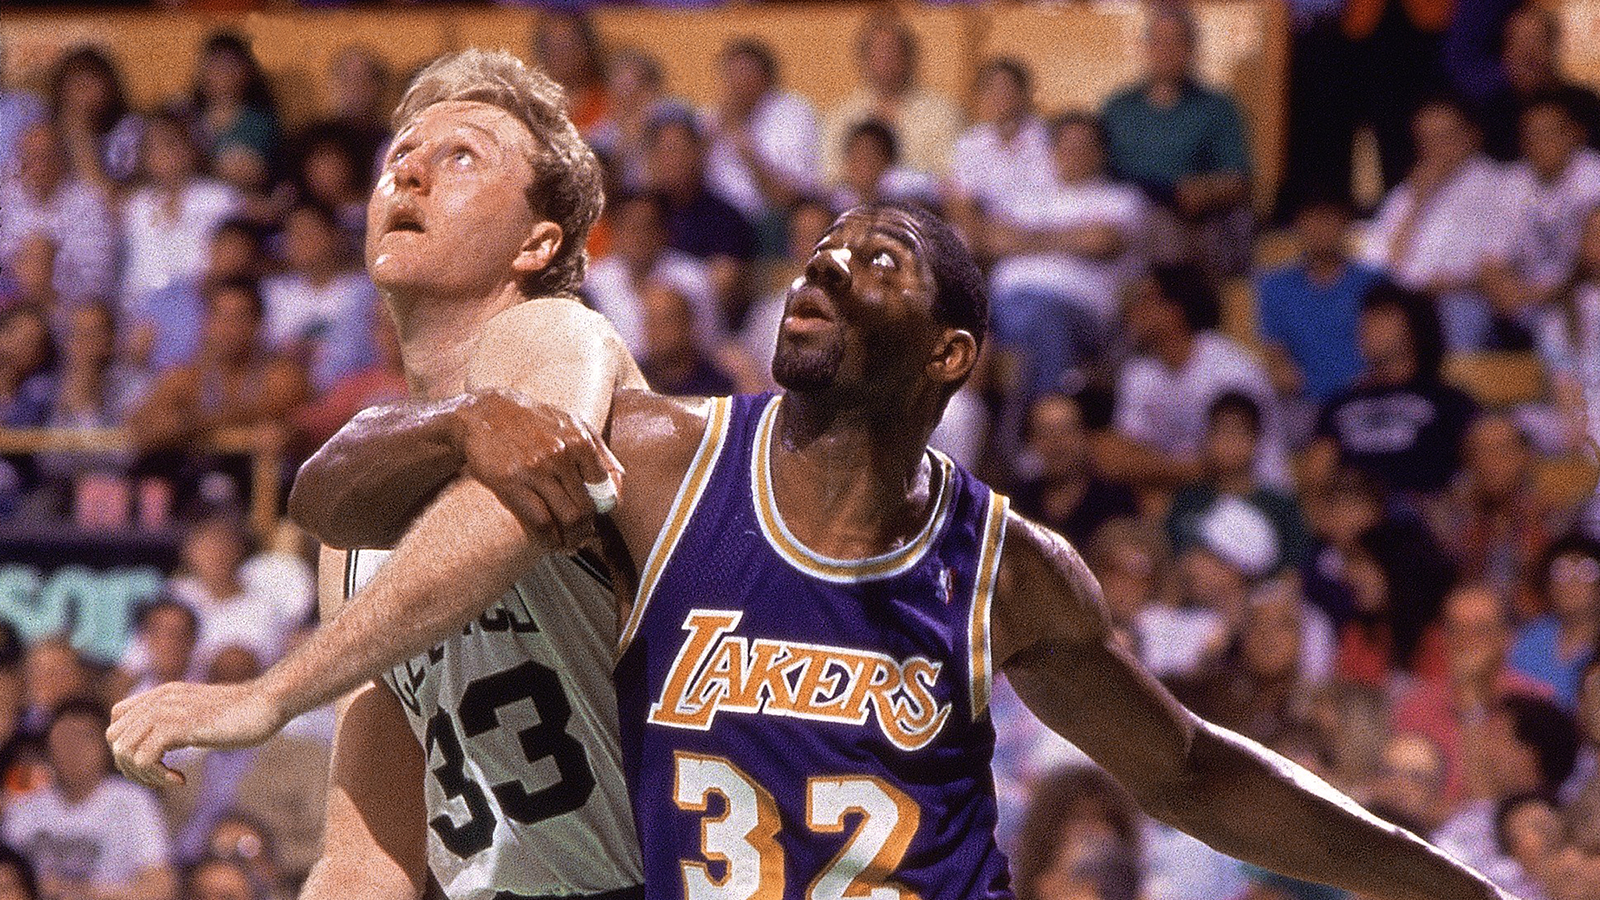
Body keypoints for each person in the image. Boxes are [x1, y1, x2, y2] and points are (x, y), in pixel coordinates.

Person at [114, 204, 1517, 900]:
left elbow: (1192, 771)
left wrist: (1436, 882)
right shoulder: (657, 463)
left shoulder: (1006, 566)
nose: (827, 265)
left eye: (877, 261)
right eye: (822, 250)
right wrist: (461, 420)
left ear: (950, 354)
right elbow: (331, 495)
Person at [139, 48, 648, 900]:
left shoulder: (558, 331)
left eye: (462, 157)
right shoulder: (361, 530)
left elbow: (507, 512)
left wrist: (270, 694)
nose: (410, 171)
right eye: (401, 154)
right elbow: (367, 854)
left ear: (538, 242)